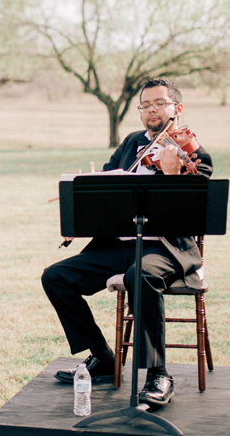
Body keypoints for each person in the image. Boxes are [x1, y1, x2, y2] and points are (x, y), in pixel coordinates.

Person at [40, 78, 213, 409]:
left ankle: (159, 374)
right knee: (55, 277)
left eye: (159, 103)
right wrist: (79, 220)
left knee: (140, 274)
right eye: (145, 105)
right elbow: (105, 188)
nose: (151, 110)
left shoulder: (196, 156)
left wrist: (173, 177)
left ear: (177, 108)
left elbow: (192, 215)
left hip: (165, 248)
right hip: (119, 246)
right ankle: (104, 358)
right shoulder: (132, 143)